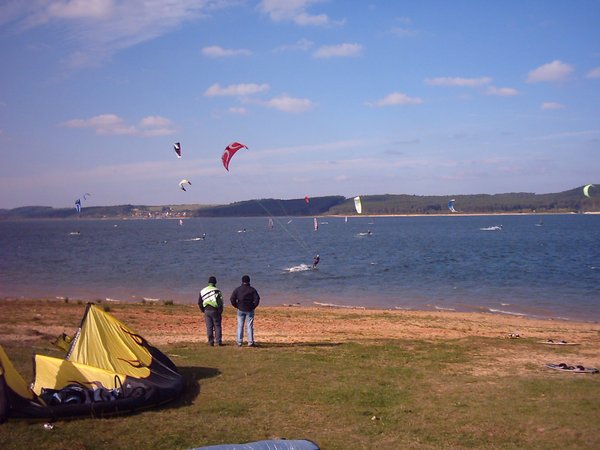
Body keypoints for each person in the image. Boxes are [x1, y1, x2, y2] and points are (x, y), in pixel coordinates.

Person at [230, 275, 260, 347]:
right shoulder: (252, 290)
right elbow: (257, 299)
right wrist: (253, 306)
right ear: (249, 281)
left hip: (240, 309)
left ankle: (239, 342)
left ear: (242, 281)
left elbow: (232, 299)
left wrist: (237, 306)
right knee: (249, 326)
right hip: (249, 309)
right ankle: (250, 342)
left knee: (240, 326)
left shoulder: (238, 289)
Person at [198, 276, 224, 346]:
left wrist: (203, 310)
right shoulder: (217, 291)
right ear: (215, 282)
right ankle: (218, 342)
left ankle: (210, 342)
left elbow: (200, 302)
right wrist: (220, 311)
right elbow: (220, 302)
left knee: (209, 326)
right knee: (217, 326)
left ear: (208, 282)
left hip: (206, 309)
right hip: (215, 310)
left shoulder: (203, 291)